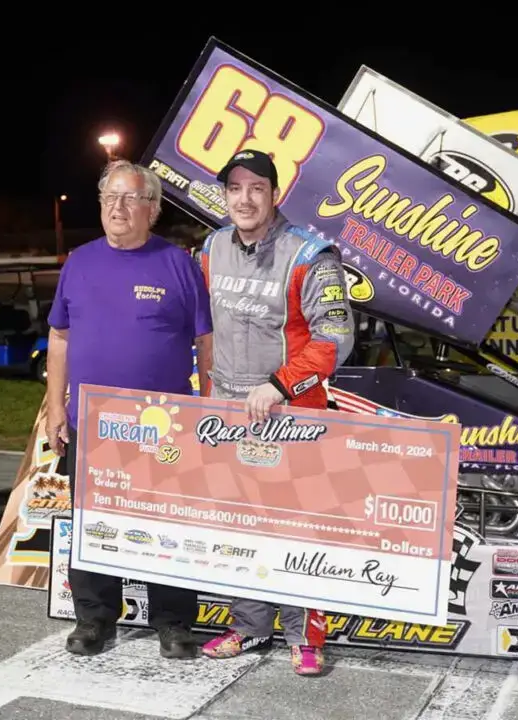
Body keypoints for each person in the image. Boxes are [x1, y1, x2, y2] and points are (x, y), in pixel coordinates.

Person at [44, 160, 213, 659]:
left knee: (168, 523)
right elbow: (59, 336)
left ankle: (174, 621)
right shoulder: (79, 261)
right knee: (91, 521)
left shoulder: (177, 264)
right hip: (92, 424)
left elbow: (205, 341)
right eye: (109, 198)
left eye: (130, 198)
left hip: (165, 429)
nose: (118, 208)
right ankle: (94, 618)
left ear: (153, 210)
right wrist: (56, 409)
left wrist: (207, 409)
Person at [197, 150, 356, 676]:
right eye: (235, 188)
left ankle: (305, 636)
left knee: (297, 529)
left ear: (274, 194)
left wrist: (280, 385)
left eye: (256, 188)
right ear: (224, 194)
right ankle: (249, 627)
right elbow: (202, 330)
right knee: (239, 525)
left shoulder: (311, 253)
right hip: (227, 415)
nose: (244, 199)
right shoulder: (211, 247)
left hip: (293, 416)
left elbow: (336, 336)